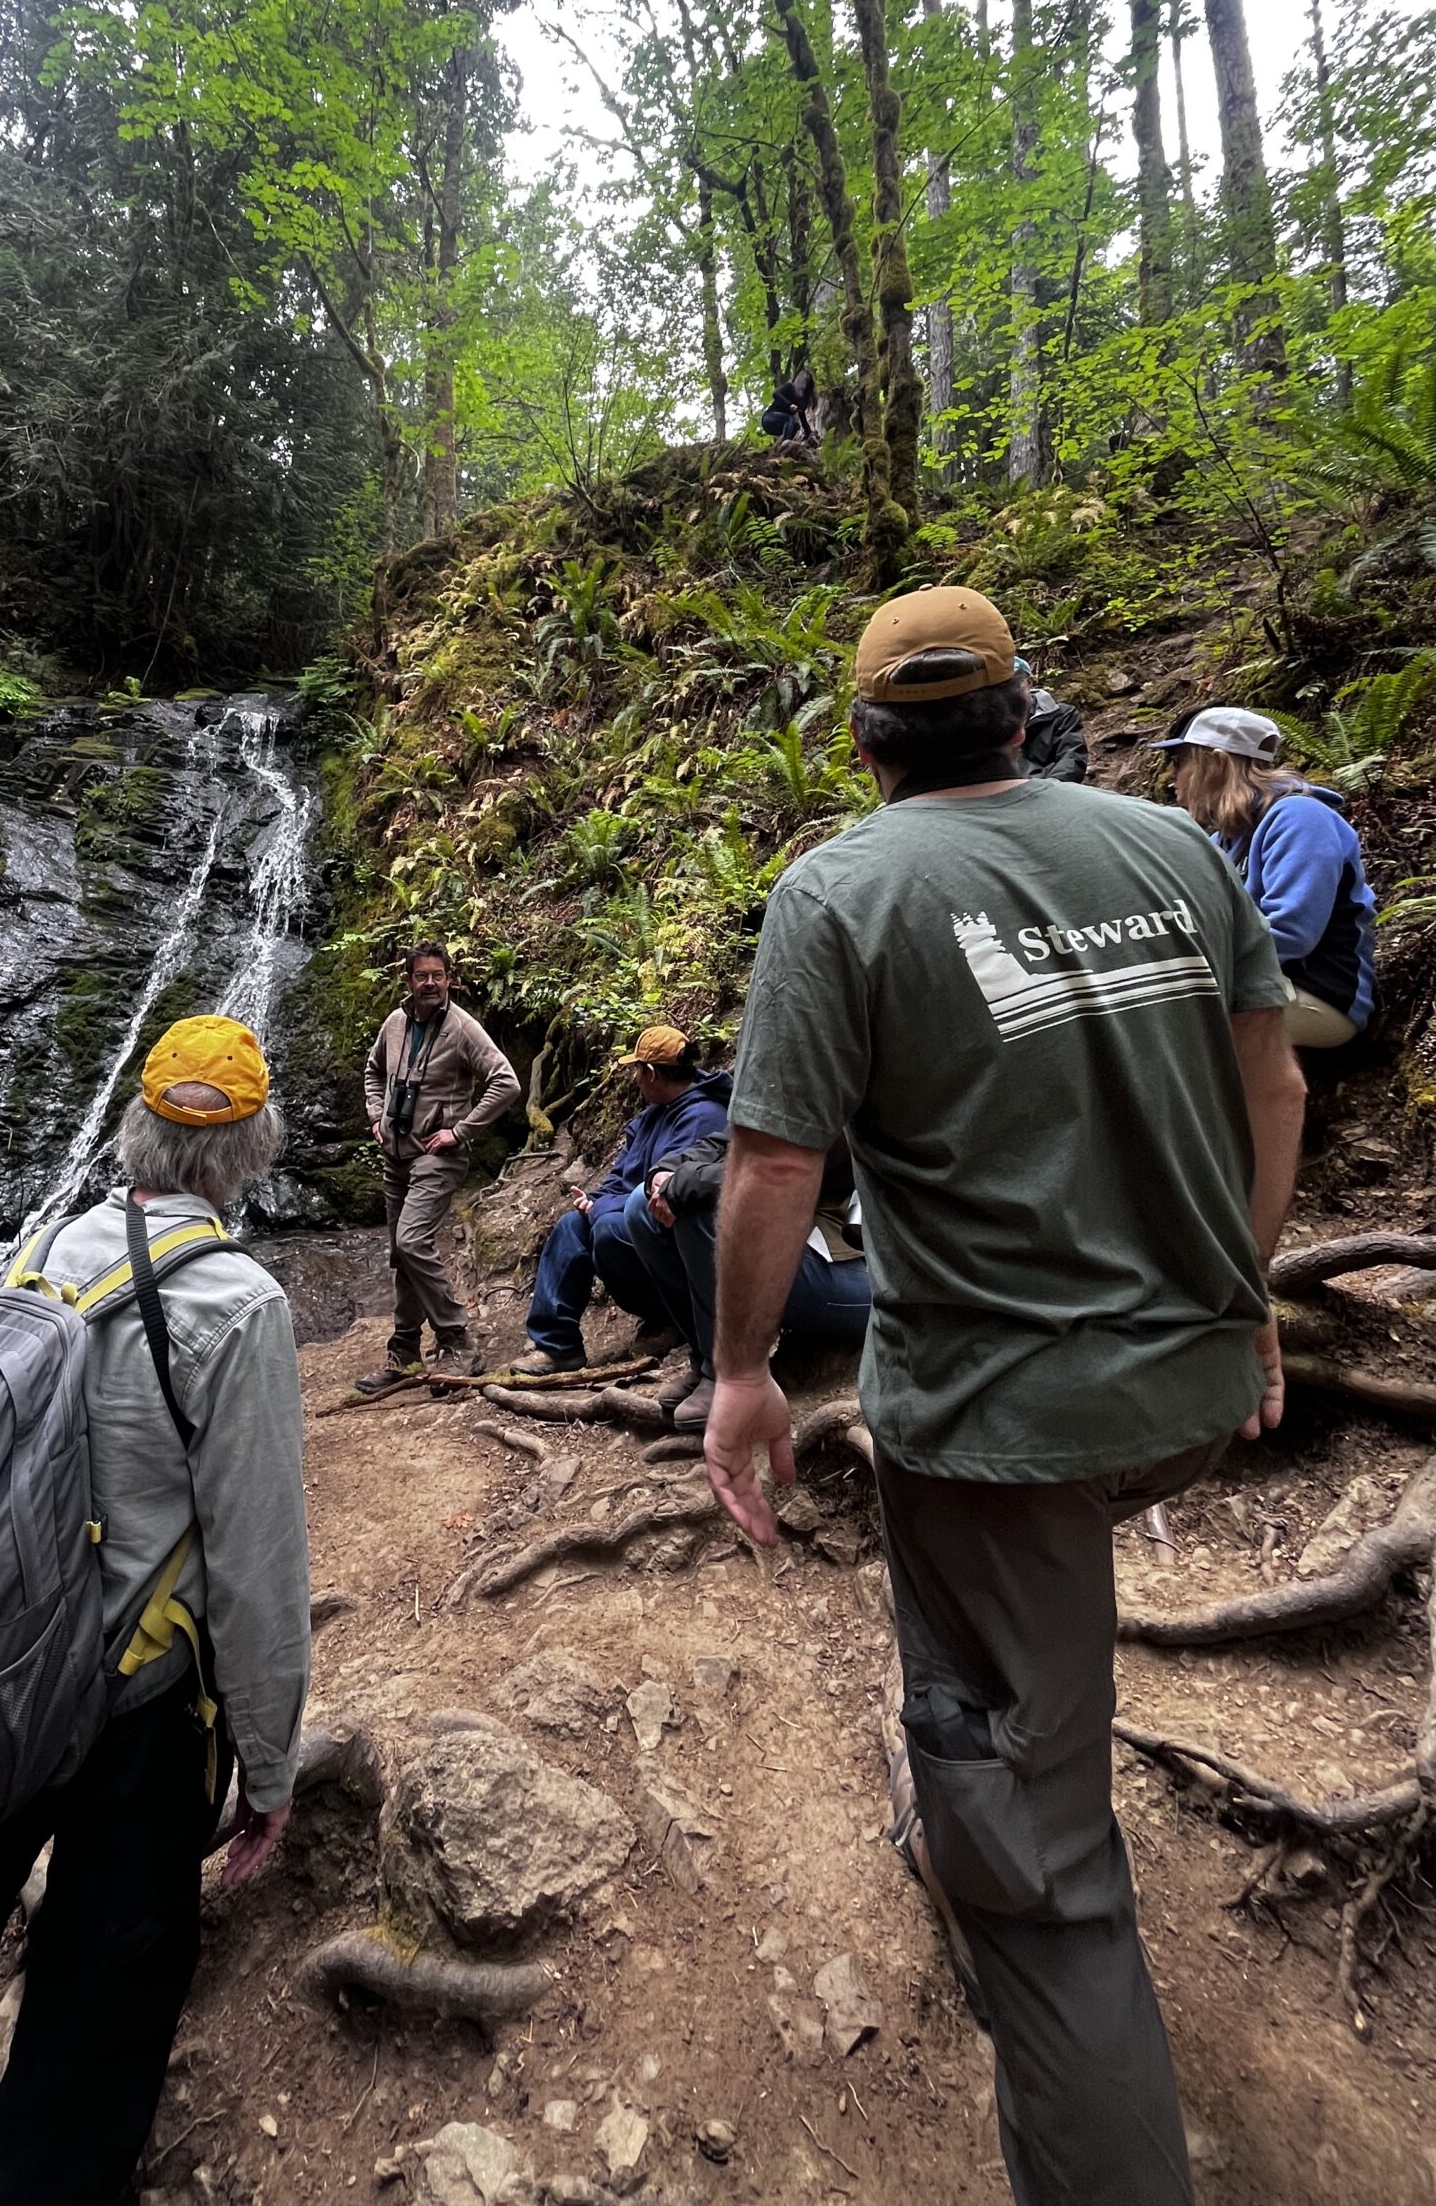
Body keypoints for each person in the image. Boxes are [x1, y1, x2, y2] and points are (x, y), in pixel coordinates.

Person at [703, 585, 1305, 2206]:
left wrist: (747, 1371)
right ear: (1019, 704)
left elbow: (770, 1160)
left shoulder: (842, 892)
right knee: (1005, 1658)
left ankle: (1005, 1860)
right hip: (1190, 1382)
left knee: (1050, 1884)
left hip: (1003, 1426)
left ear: (866, 738)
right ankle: (972, 1794)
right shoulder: (1175, 851)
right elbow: (1274, 1077)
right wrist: (1244, 1294)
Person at [0, 1015, 310, 2206]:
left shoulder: (44, 1251)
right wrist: (271, 1758)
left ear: (139, 1127)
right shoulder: (239, 1302)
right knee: (111, 1968)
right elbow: (257, 1563)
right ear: (250, 1147)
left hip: (13, 1655)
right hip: (141, 1701)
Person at [1149, 705, 1378, 1051]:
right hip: (1261, 985)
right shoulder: (1224, 839)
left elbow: (1291, 933)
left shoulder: (1301, 818)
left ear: (1217, 762)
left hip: (1321, 995)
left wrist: (1190, 968)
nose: (1173, 778)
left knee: (1159, 1019)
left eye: (1181, 762)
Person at [622, 1129, 869, 1431]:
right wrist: (664, 1172)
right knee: (640, 1205)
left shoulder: (857, 1096)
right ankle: (706, 1360)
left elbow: (780, 1169)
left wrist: (683, 1181)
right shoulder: (788, 1093)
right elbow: (730, 1140)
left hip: (873, 1279)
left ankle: (728, 1374)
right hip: (813, 1244)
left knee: (705, 1208)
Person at [519, 1027, 731, 1376]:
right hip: (634, 1216)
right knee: (572, 1225)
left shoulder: (702, 1116)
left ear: (650, 1073)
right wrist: (594, 1199)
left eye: (637, 1070)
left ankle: (672, 1315)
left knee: (608, 1229)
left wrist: (600, 1209)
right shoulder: (651, 1116)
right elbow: (622, 1177)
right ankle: (557, 1346)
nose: (634, 1078)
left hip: (674, 1238)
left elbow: (658, 1194)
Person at [358, 942, 520, 1389]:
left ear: (449, 978)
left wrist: (460, 1130)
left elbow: (505, 1081)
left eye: (438, 975)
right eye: (422, 976)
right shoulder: (394, 1024)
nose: (430, 983)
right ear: (408, 980)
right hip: (395, 1156)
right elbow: (373, 1070)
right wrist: (376, 1114)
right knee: (400, 1254)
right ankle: (404, 1351)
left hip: (438, 1156)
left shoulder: (463, 1028)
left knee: (411, 1241)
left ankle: (457, 1339)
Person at [1014, 656, 1089, 782]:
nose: (1010, 691)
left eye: (1015, 683)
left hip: (1050, 789)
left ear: (1029, 682)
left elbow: (1072, 758)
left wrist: (1049, 791)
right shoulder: (989, 718)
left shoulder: (1062, 715)